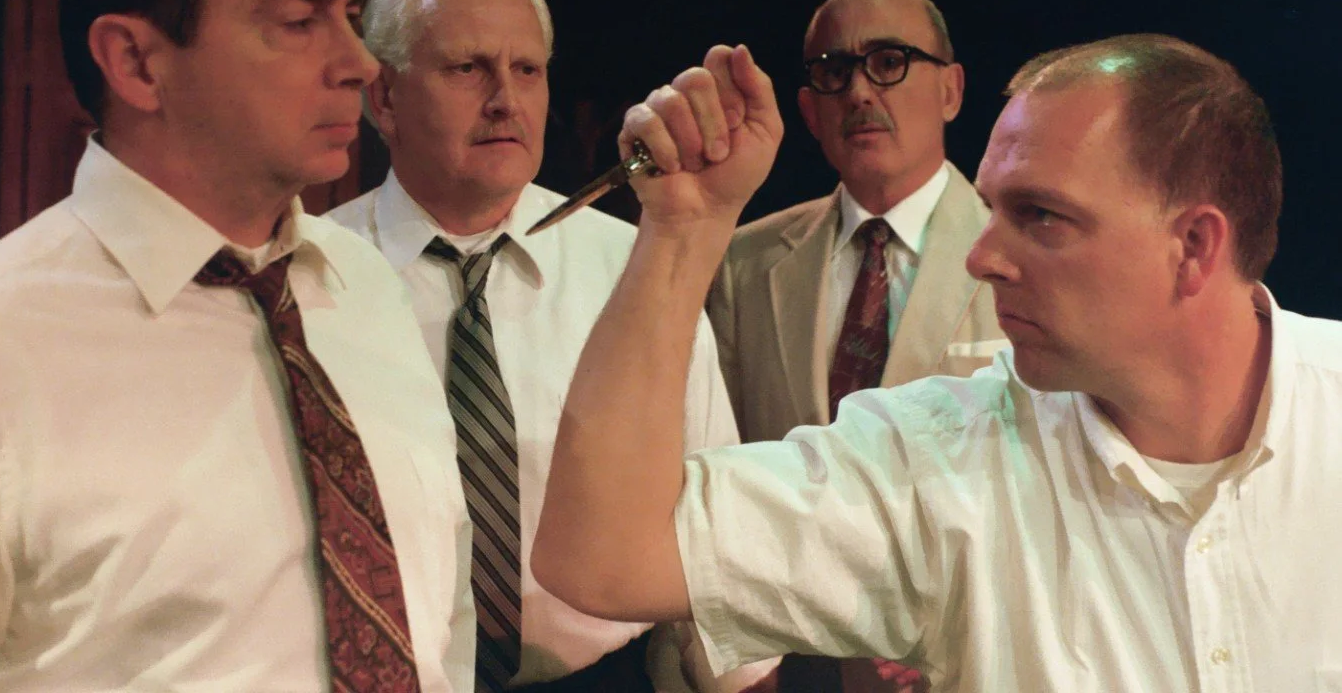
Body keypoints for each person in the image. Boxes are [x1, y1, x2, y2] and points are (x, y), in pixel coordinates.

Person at [0, 0, 473, 692]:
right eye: (298, 21)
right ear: (137, 62)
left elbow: (438, 618)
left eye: (350, 16)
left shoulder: (363, 289)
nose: (359, 63)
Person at [533, 35, 1342, 690]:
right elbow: (601, 560)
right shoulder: (942, 461)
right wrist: (683, 231)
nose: (982, 256)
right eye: (992, 210)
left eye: (1041, 216)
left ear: (1193, 247)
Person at [328, 0, 774, 693]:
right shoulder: (315, 277)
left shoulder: (636, 264)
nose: (505, 98)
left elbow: (708, 512)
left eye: (527, 70)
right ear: (384, 99)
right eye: (467, 68)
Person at [707, 0, 994, 693]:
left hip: (972, 659)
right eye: (835, 71)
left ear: (952, 90)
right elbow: (709, 467)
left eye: (890, 61)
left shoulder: (1026, 258)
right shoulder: (743, 263)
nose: (862, 89)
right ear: (809, 109)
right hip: (786, 666)